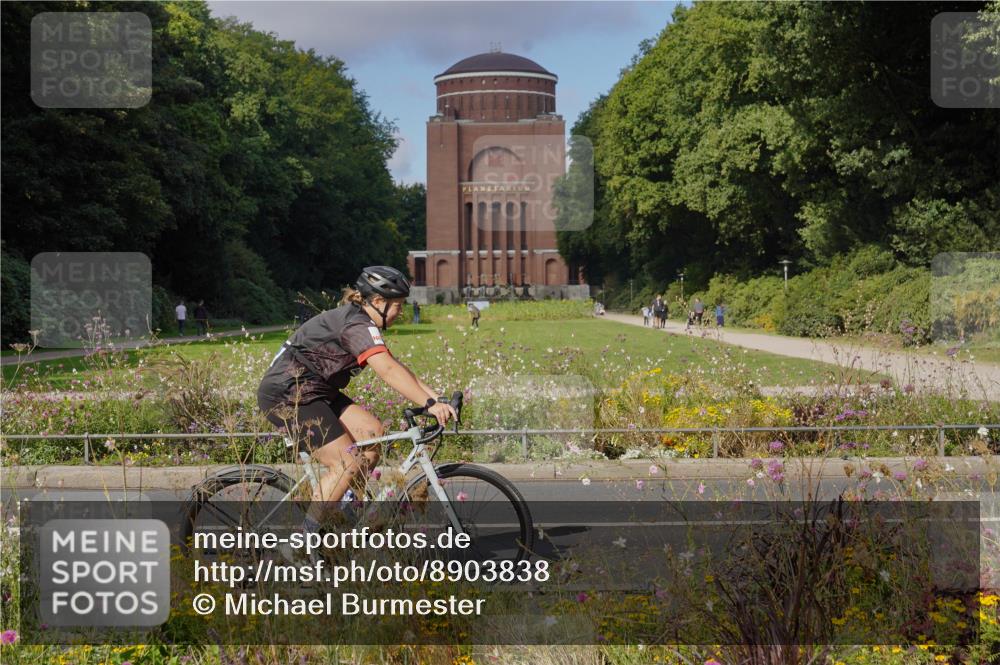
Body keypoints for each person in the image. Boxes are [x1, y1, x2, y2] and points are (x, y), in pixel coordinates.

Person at [257, 266, 456, 531]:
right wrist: (430, 405)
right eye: (398, 305)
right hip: (288, 395)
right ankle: (300, 546)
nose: (401, 312)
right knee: (345, 464)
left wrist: (435, 398)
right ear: (377, 302)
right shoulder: (356, 324)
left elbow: (396, 366)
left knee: (372, 433)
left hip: (316, 391)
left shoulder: (362, 321)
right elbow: (387, 370)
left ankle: (342, 519)